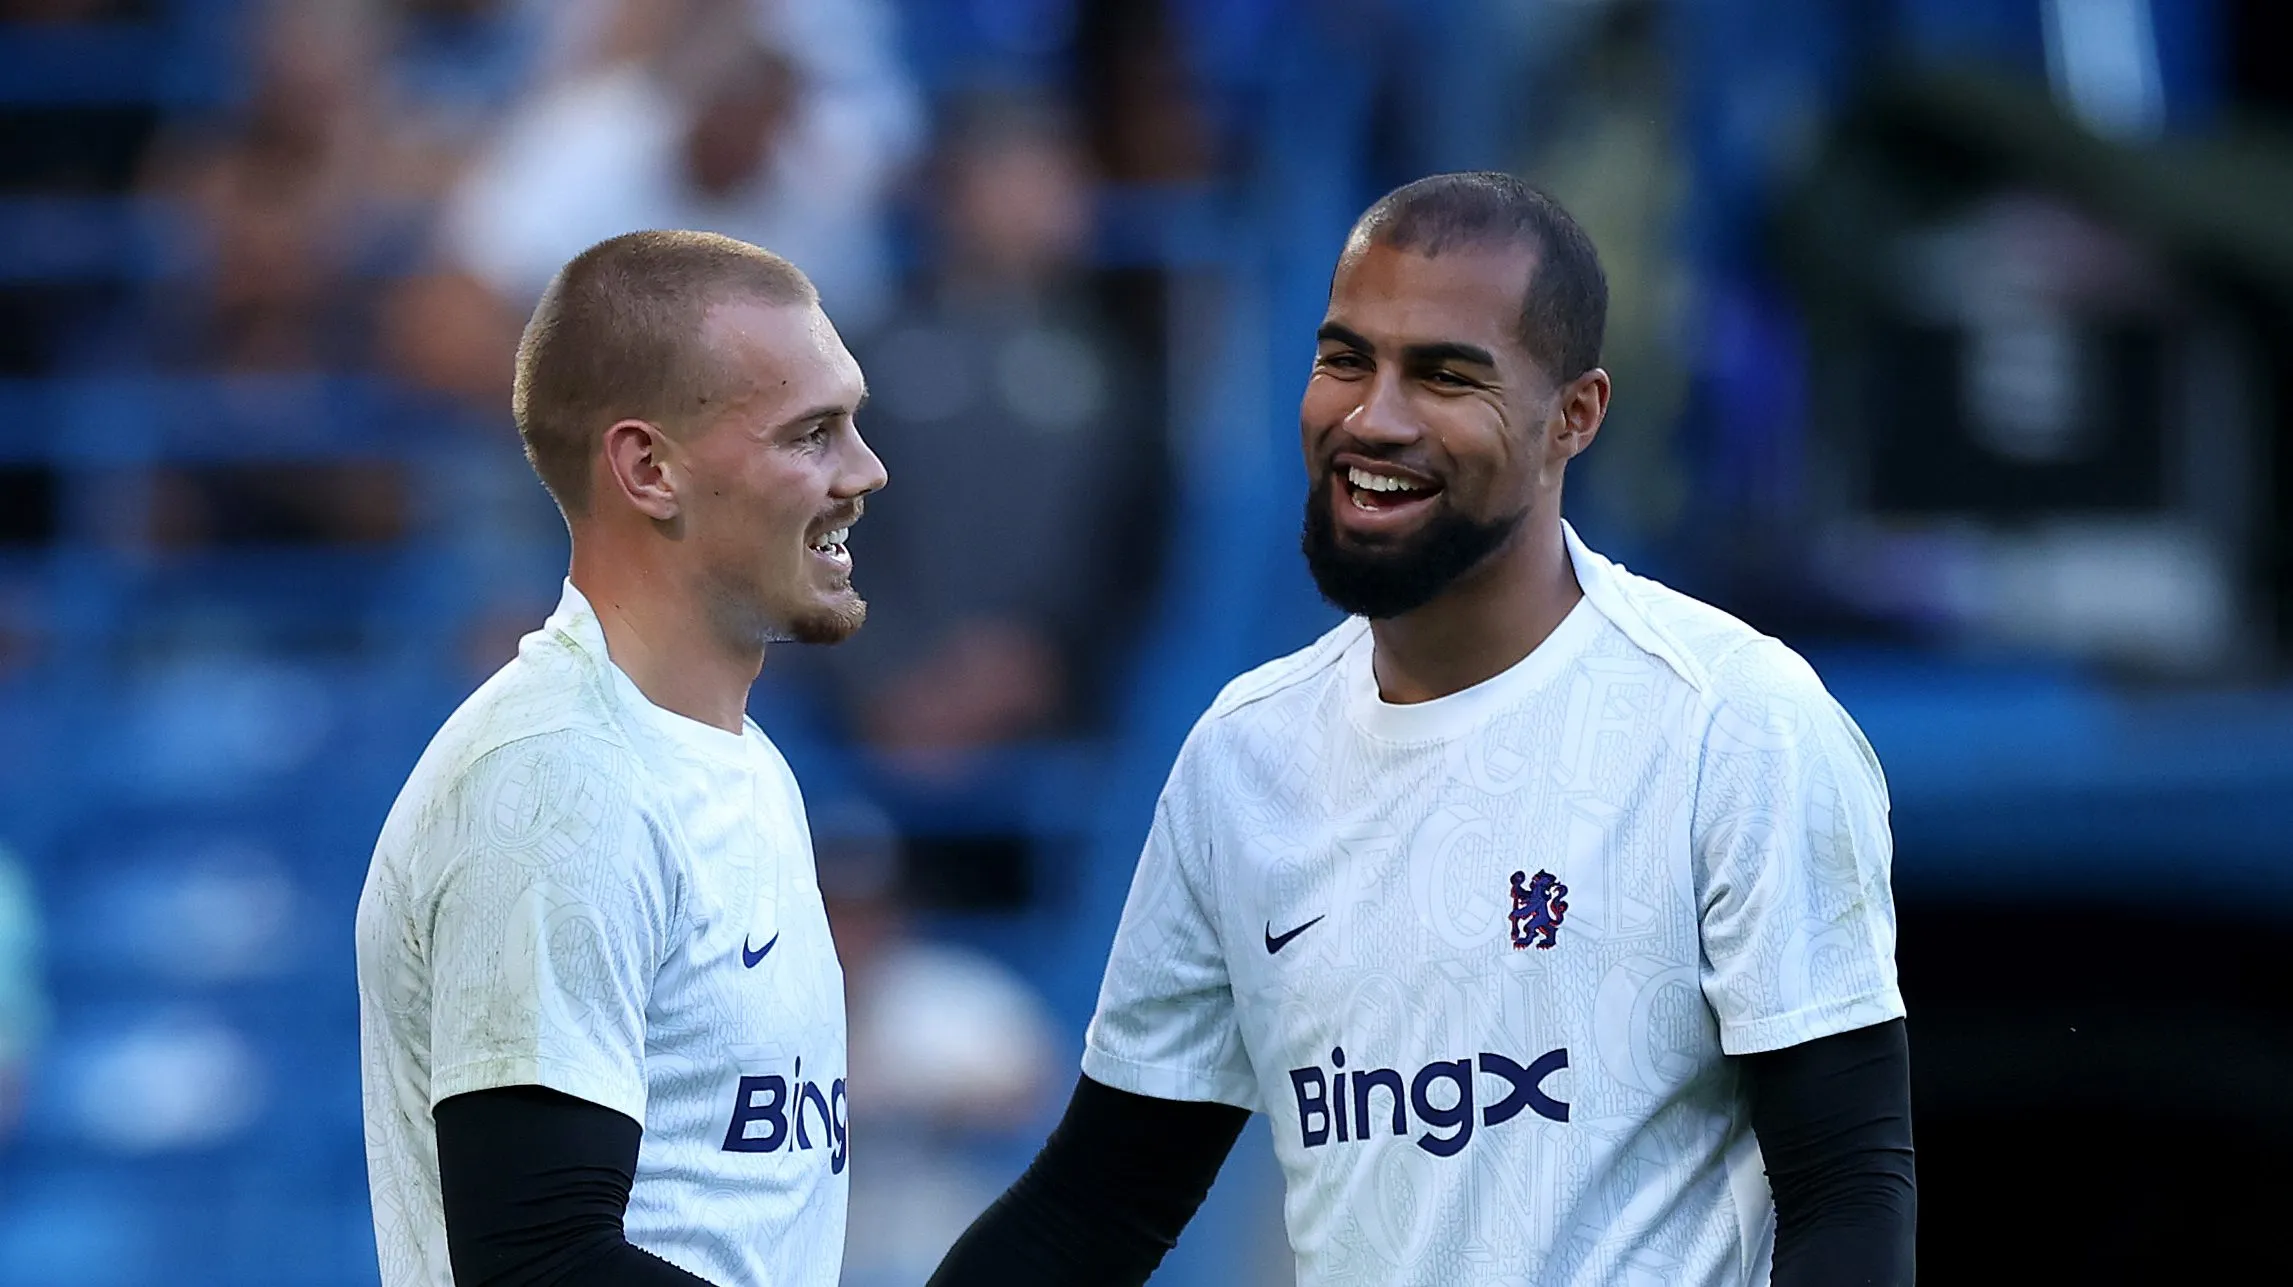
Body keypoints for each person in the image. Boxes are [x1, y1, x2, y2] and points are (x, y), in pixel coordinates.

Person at [928, 173, 1915, 1287]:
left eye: (1445, 374)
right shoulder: (1242, 757)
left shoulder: (1732, 723)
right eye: (1346, 359)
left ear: (1574, 417)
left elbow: (1846, 1191)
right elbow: (1096, 1206)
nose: (1373, 416)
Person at [355, 229, 887, 1287]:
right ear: (650, 469)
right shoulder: (557, 779)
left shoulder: (746, 767)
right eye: (812, 434)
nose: (865, 472)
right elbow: (539, 1263)